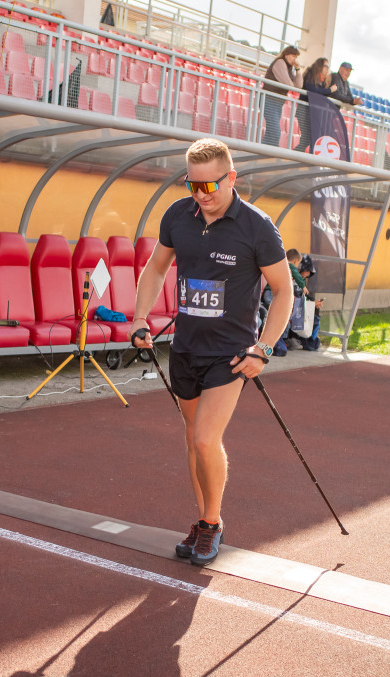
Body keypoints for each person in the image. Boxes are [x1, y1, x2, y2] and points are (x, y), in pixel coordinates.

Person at [130, 138, 293, 567]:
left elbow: (284, 291)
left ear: (231, 177)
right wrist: (139, 318)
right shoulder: (177, 217)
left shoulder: (257, 227)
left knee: (206, 438)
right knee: (192, 440)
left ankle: (213, 524)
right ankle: (203, 520)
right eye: (193, 186)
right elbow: (156, 268)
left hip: (231, 355)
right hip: (184, 348)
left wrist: (263, 349)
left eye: (210, 186)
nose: (202, 195)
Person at [262, 46, 303, 148]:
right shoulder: (280, 62)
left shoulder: (289, 69)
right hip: (269, 99)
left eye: (296, 57)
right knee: (275, 132)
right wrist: (293, 84)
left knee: (271, 132)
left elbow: (299, 86)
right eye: (293, 56)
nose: (295, 59)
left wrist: (298, 69)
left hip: (277, 102)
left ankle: (264, 153)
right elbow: (289, 85)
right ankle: (264, 153)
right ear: (286, 55)